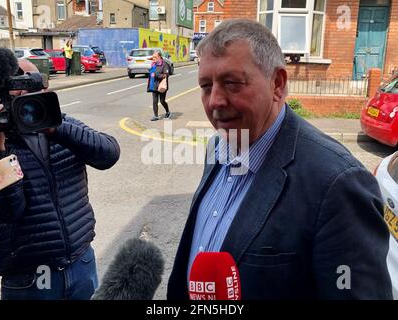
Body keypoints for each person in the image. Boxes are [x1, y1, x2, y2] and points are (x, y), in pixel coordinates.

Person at [167, 19, 393, 299]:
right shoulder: (218, 147)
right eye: (205, 86)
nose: (214, 101)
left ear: (277, 84)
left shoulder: (338, 184)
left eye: (232, 83)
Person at [0, 58, 120, 300]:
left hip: (81, 263)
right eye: (19, 88)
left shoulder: (59, 123)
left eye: (36, 84)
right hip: (29, 279)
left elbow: (109, 154)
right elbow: (9, 211)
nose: (30, 95)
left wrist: (56, 128)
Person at [147, 51, 170, 121]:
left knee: (162, 101)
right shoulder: (153, 64)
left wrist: (156, 75)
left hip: (161, 86)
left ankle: (168, 112)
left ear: (159, 57)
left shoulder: (165, 65)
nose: (153, 58)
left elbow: (166, 75)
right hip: (154, 85)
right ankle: (156, 116)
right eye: (153, 57)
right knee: (154, 101)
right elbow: (152, 74)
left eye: (155, 57)